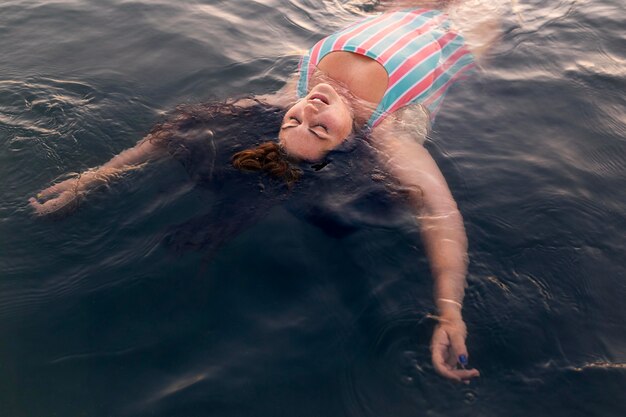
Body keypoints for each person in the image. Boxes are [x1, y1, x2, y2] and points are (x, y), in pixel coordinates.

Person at [30, 0, 504, 383]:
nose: (309, 110)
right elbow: (441, 214)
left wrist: (92, 177)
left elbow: (178, 130)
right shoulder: (387, 133)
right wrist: (449, 311)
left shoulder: (288, 95)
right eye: (319, 129)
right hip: (461, 31)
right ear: (347, 143)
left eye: (296, 121)